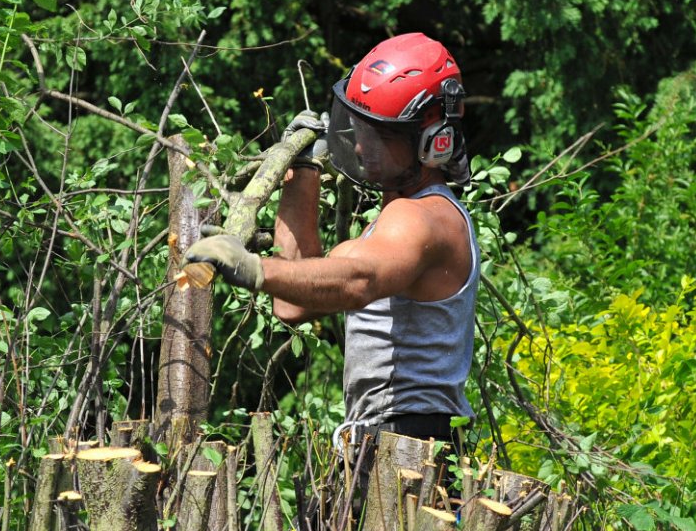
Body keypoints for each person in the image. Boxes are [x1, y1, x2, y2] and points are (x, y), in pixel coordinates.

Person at [182, 32, 480, 459]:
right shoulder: (394, 225)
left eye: (379, 137)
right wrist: (303, 170)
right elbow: (293, 304)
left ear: (435, 139)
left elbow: (358, 281)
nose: (360, 146)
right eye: (358, 130)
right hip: (387, 438)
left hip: (410, 440)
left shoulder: (422, 219)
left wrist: (253, 268)